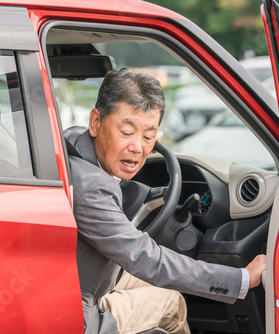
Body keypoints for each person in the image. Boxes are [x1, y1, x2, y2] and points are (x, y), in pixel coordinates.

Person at [64, 68, 266, 334]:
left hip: (73, 277)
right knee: (171, 300)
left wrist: (137, 134)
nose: (138, 148)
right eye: (126, 132)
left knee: (147, 283)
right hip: (76, 310)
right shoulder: (93, 188)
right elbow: (149, 260)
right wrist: (241, 278)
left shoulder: (71, 141)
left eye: (149, 137)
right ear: (95, 122)